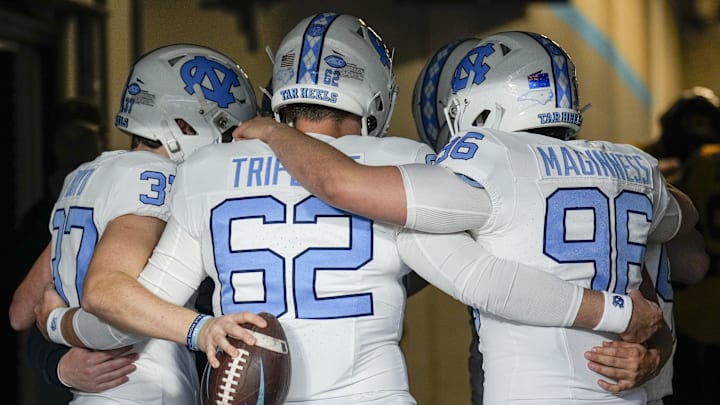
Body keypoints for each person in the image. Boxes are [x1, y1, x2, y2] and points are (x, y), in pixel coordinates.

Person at [233, 31, 699, 403]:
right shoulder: (633, 167)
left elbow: (342, 184)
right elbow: (681, 242)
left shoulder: (493, 156)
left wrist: (274, 132)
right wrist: (657, 350)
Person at [10, 43, 260, 404]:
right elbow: (105, 291)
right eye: (224, 129)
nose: (228, 143)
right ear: (185, 122)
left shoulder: (87, 175)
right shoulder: (156, 177)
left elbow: (21, 310)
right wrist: (201, 330)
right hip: (142, 387)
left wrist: (55, 326)